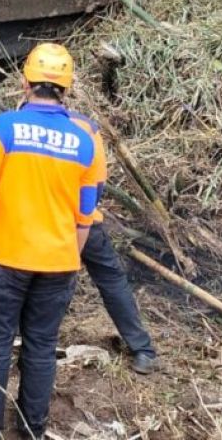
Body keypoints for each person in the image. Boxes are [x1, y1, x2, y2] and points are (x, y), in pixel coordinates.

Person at [0, 43, 102, 439]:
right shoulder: (86, 140)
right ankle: (33, 429)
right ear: (68, 87)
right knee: (41, 347)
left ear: (24, 82)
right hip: (59, 264)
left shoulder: (4, 128)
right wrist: (69, 255)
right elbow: (87, 210)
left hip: (5, 260)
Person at [67, 109, 160, 375]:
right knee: (110, 278)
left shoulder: (19, 123)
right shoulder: (86, 127)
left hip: (44, 222)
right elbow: (98, 184)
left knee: (26, 277)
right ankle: (143, 350)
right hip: (85, 218)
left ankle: (11, 339)